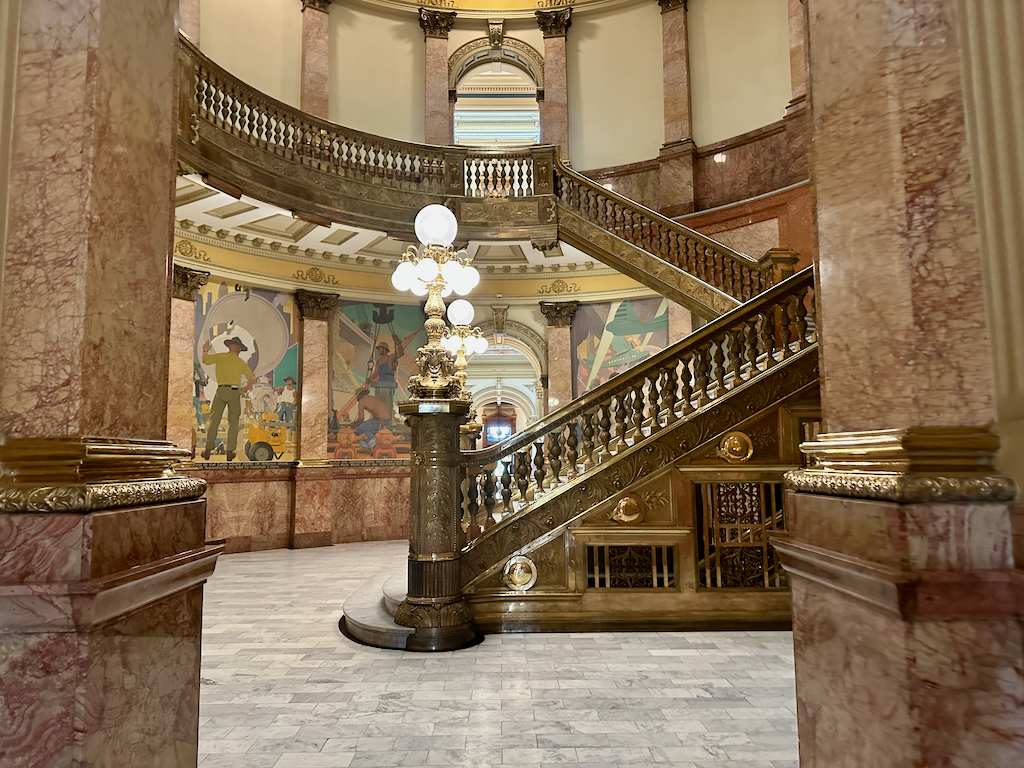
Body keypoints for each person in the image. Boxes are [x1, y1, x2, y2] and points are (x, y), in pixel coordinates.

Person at [200, 336, 255, 461]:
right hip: (234, 391)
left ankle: (208, 450)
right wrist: (244, 389)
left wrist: (205, 350)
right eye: (237, 346)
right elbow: (252, 378)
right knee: (233, 422)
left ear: (230, 347)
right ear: (238, 349)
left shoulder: (221, 357)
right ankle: (230, 451)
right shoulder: (240, 363)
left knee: (214, 421)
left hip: (221, 390)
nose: (237, 348)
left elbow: (206, 360)